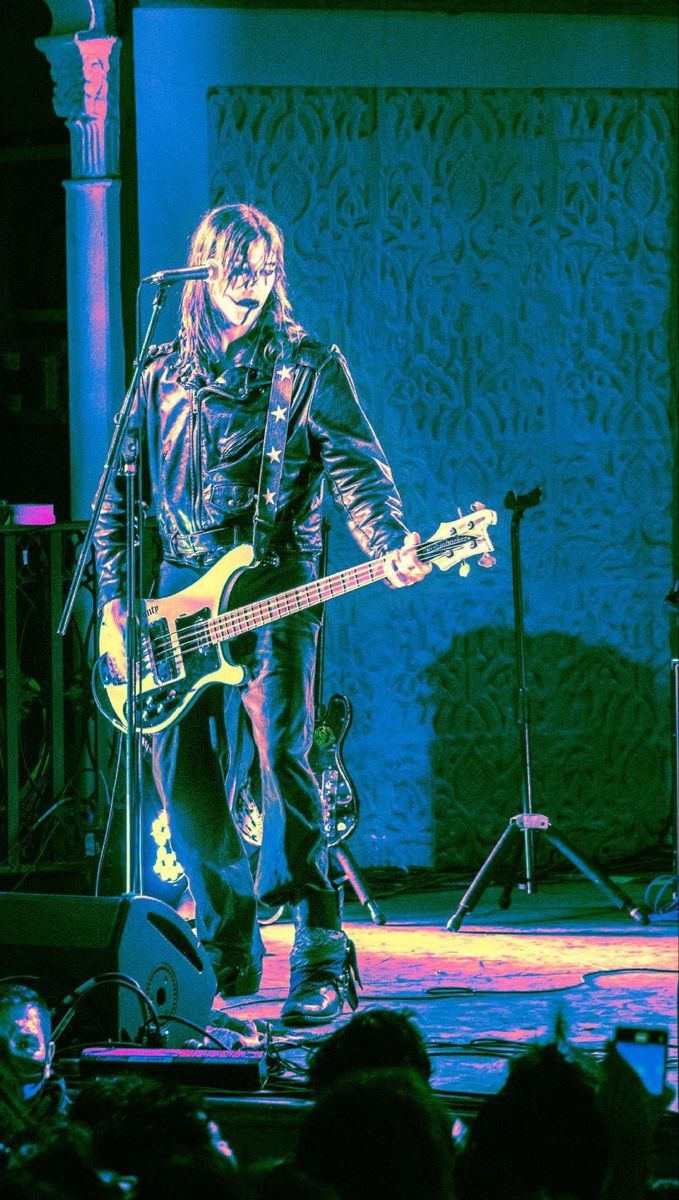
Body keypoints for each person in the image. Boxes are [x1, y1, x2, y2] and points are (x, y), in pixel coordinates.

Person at [94, 202, 429, 1024]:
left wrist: (389, 541)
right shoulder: (159, 375)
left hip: (276, 589)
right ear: (204, 270)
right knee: (184, 779)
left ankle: (319, 946)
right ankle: (225, 948)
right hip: (174, 600)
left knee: (283, 761)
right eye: (238, 263)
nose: (252, 278)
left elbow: (358, 470)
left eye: (266, 264)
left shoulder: (306, 366)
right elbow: (114, 506)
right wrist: (114, 610)